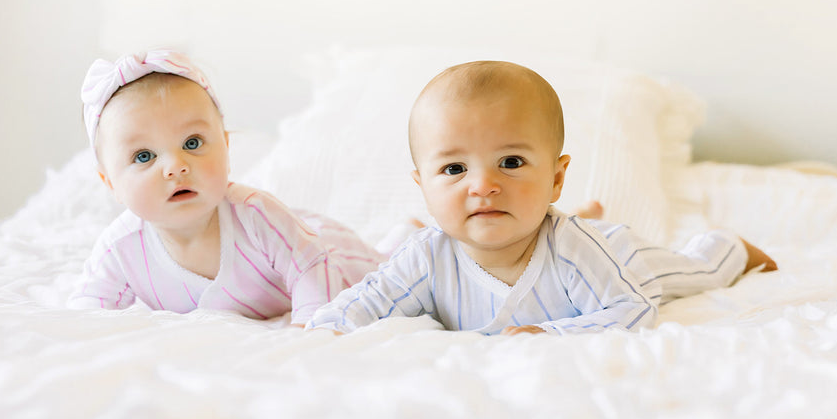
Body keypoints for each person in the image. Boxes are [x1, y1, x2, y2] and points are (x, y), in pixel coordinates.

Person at [306, 60, 777, 335]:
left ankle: (728, 244)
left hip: (622, 257)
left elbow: (633, 307)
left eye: (510, 163)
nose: (483, 186)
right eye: (454, 169)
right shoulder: (426, 256)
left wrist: (549, 332)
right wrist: (326, 326)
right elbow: (371, 298)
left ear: (556, 179)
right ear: (422, 189)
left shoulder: (575, 252)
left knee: (696, 273)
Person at [69, 50, 394, 323]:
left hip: (330, 253)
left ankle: (402, 236)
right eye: (144, 156)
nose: (176, 166)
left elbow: (313, 265)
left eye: (192, 142)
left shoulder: (256, 215)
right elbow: (87, 316)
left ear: (225, 147)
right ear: (109, 182)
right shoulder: (121, 249)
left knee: (387, 267)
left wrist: (310, 330)